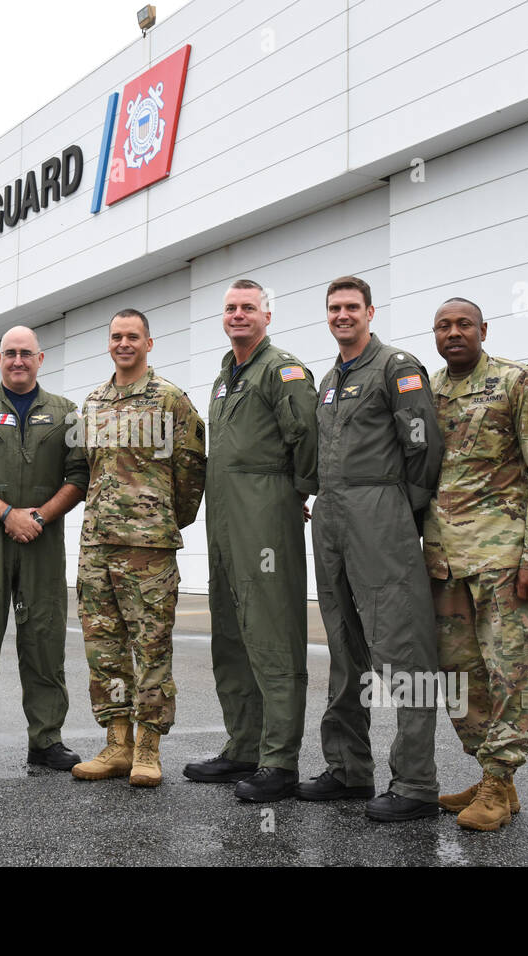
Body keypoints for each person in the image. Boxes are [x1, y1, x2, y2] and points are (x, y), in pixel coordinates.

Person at [302, 275, 444, 821]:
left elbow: (421, 445)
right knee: (343, 645)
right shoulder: (331, 378)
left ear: (370, 312)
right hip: (332, 516)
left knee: (400, 645)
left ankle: (415, 783)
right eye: (334, 308)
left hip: (380, 514)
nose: (342, 315)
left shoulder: (395, 367)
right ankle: (348, 769)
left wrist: (400, 508)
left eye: (351, 307)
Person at [423, 299, 528, 829]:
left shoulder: (517, 380)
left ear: (484, 330)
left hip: (504, 559)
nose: (454, 333)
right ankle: (495, 780)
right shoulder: (428, 390)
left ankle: (497, 777)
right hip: (444, 563)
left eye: (464, 325)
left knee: (509, 672)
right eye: (444, 326)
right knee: (459, 675)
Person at [183, 279, 318, 802]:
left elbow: (307, 436)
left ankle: (279, 761)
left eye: (248, 308)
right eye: (231, 308)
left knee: (272, 635)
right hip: (224, 519)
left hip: (264, 516)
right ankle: (244, 746)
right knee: (232, 633)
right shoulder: (226, 375)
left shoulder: (281, 370)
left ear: (268, 314)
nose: (238, 315)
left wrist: (292, 492)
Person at [0, 326, 89, 774]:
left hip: (42, 542)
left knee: (44, 638)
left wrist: (39, 517)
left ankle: (46, 740)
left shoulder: (65, 412)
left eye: (26, 353)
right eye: (10, 353)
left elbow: (79, 475)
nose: (18, 360)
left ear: (40, 359)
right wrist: (8, 514)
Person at [72, 309, 206, 787]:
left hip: (148, 548)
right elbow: (89, 468)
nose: (123, 343)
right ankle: (116, 742)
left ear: (149, 343)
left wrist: (164, 519)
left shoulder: (170, 400)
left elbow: (191, 471)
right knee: (103, 648)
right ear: (109, 343)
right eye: (116, 336)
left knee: (150, 648)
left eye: (133, 336)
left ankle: (149, 747)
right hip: (95, 546)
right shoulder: (92, 402)